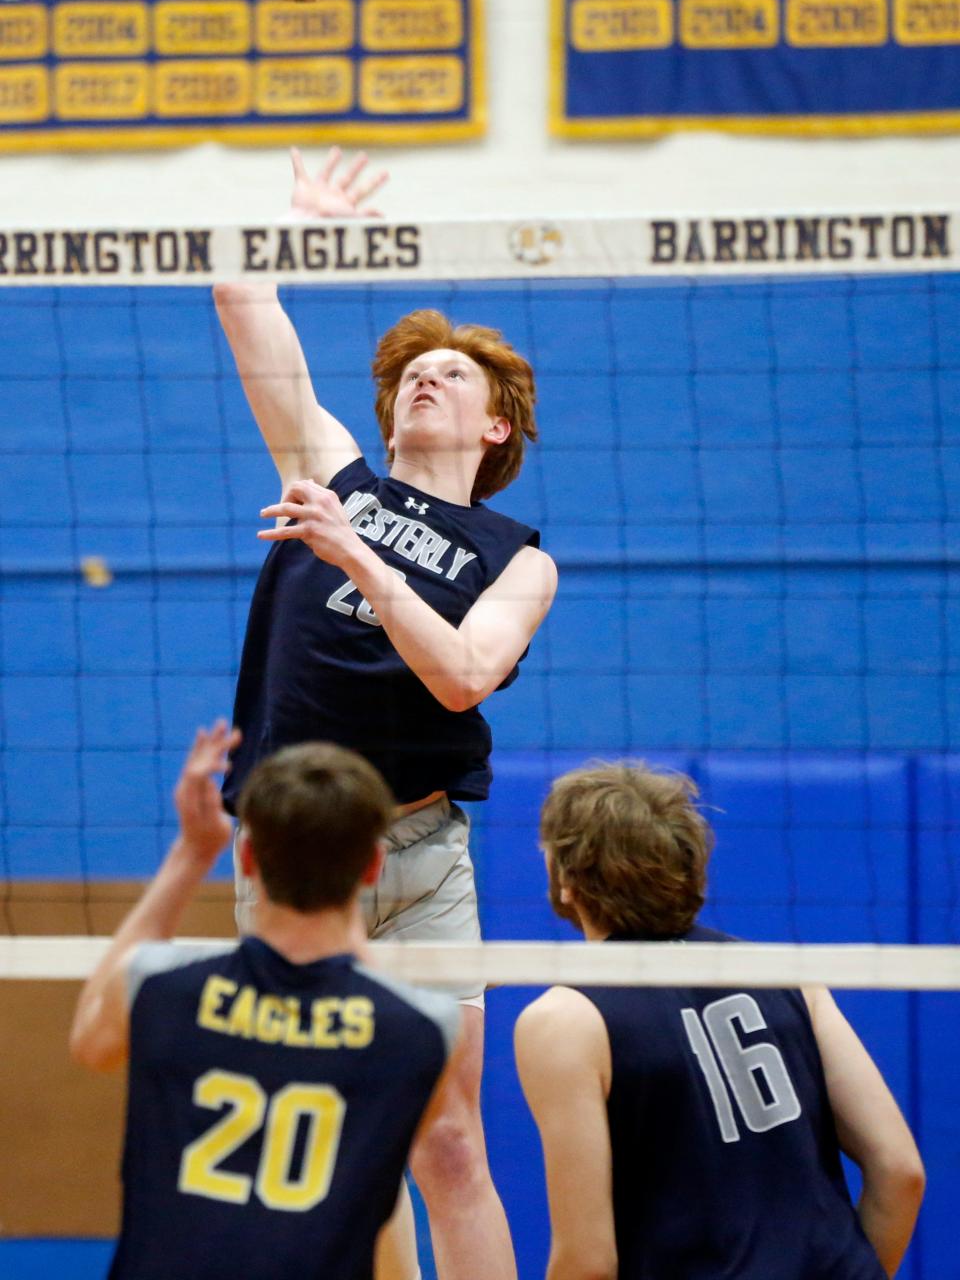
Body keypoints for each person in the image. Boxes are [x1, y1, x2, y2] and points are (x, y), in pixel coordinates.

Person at [212, 147, 558, 1280]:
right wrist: (292, 220)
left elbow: (462, 675)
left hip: (424, 856)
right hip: (294, 853)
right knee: (327, 1135)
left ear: (496, 428)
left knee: (448, 1143)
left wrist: (357, 552)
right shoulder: (334, 466)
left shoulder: (517, 560)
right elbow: (237, 291)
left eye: (454, 376)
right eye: (415, 371)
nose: (427, 378)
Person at [70, 721, 461, 1280]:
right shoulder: (421, 1033)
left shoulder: (160, 988)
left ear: (248, 858)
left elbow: (90, 1042)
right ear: (371, 869)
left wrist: (190, 853)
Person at [515, 761, 925, 1280]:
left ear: (567, 879)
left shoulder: (562, 1021)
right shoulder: (788, 974)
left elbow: (588, 1262)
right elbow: (900, 1172)